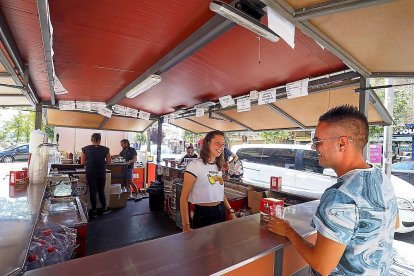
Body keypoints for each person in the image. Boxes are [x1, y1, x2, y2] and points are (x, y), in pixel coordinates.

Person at [268, 105, 399, 275]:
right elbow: (395, 223)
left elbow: (322, 265)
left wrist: (289, 232)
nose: (313, 148)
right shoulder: (381, 178)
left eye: (317, 141)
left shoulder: (340, 195)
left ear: (342, 143)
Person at [180, 130, 236, 232]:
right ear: (208, 143)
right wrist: (186, 225)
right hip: (203, 214)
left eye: (223, 144)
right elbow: (184, 198)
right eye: (217, 143)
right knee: (202, 247)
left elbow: (219, 192)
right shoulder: (194, 165)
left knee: (219, 246)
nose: (221, 147)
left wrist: (230, 210)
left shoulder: (217, 166)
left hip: (221, 211)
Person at [81, 133, 112, 218]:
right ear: (99, 139)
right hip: (101, 172)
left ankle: (94, 211)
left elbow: (82, 162)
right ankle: (104, 209)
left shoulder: (85, 149)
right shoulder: (106, 149)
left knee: (93, 192)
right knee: (101, 191)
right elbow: (109, 162)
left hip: (90, 172)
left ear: (92, 139)